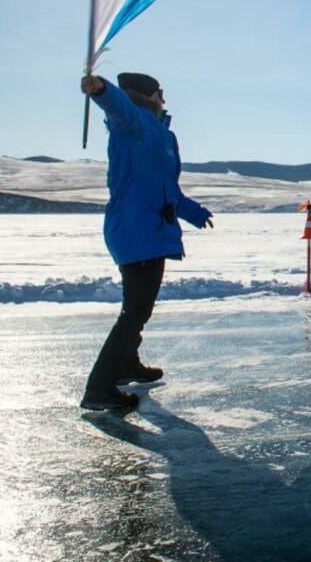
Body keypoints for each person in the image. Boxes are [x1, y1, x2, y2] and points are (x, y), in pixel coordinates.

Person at [79, 72, 213, 411]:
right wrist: (102, 90)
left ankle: (128, 365)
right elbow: (117, 107)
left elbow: (168, 189)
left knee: (137, 308)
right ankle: (99, 389)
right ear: (146, 95)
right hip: (136, 229)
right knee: (135, 311)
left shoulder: (163, 135)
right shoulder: (133, 123)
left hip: (149, 228)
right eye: (160, 93)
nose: (164, 99)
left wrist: (194, 213)